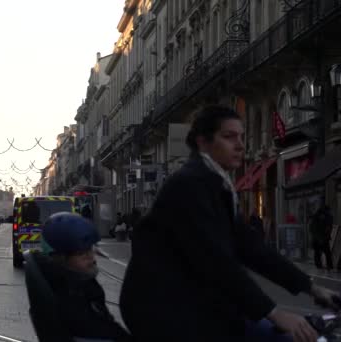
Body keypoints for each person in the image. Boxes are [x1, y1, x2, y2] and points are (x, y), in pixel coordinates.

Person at [119, 106, 340, 342]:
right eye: (229, 137)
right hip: (164, 309)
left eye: (242, 137)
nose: (240, 145)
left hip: (193, 301)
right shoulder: (189, 184)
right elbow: (215, 261)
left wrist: (310, 287)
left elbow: (253, 249)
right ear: (203, 142)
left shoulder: (215, 184)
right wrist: (273, 312)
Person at [27, 213, 131, 341]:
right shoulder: (70, 300)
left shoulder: (83, 285)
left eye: (90, 249)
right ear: (59, 258)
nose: (91, 257)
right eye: (81, 253)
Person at [309, 203, 334, 270]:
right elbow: (328, 227)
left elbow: (312, 228)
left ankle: (319, 265)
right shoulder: (327, 216)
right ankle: (329, 266)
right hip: (322, 238)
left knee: (318, 253)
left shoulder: (316, 216)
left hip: (317, 238)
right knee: (327, 252)